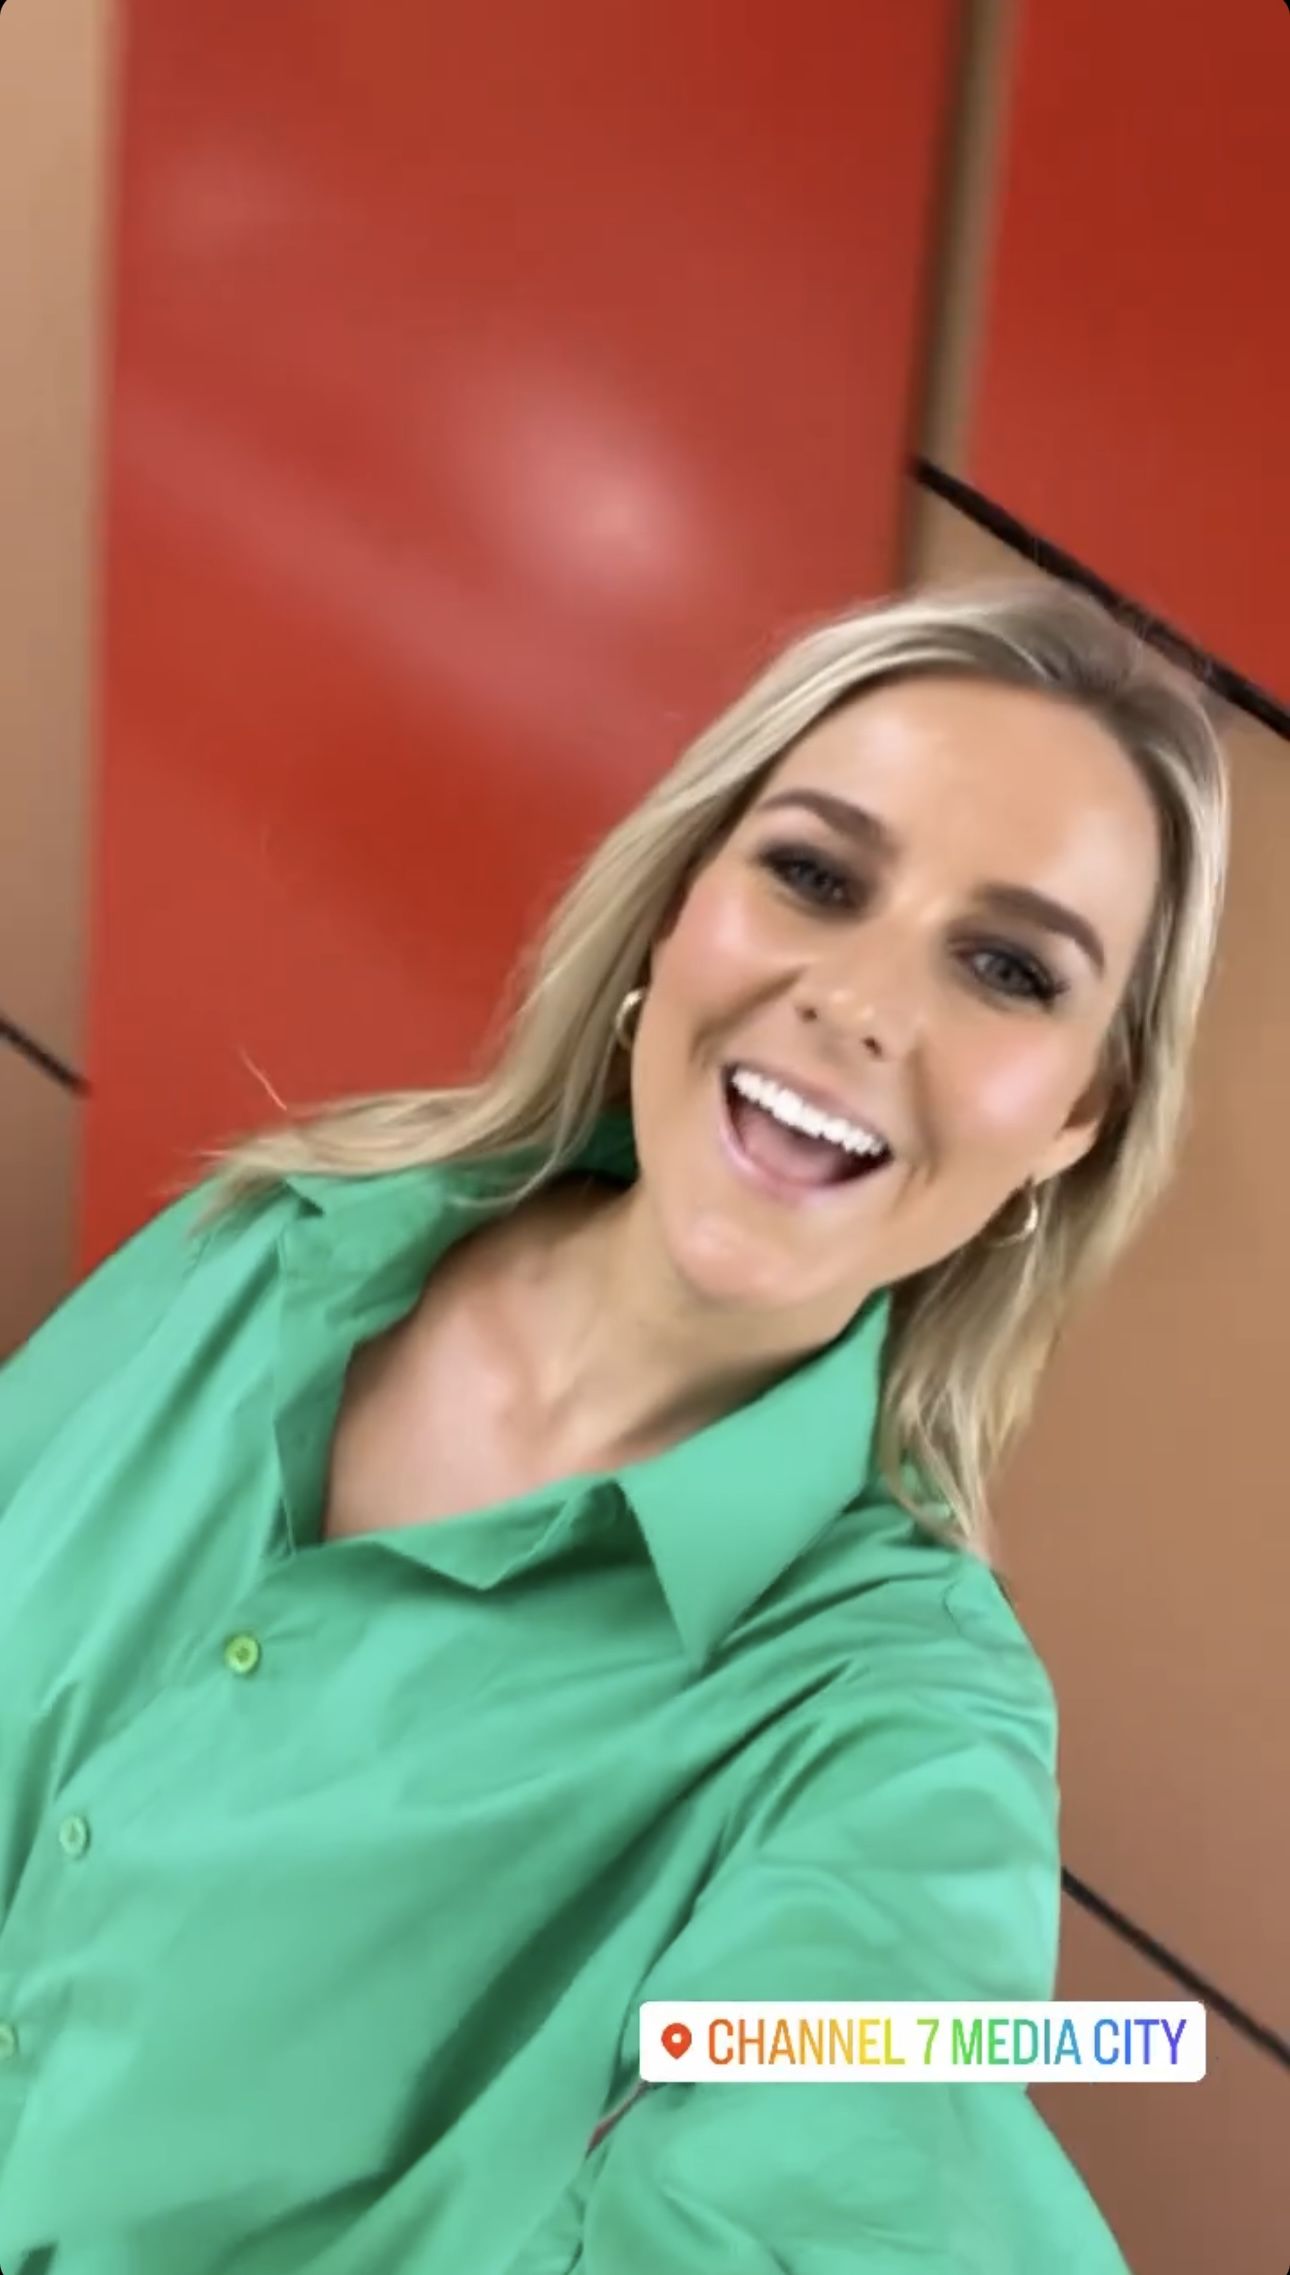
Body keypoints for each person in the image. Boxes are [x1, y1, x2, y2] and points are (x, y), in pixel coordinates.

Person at [0, 581, 1228, 2274]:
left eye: (1006, 969)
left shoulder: (897, 1728)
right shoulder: (278, 1241)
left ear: (1076, 1119)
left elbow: (855, 2159)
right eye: (816, 875)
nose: (863, 1003)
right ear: (678, 903)